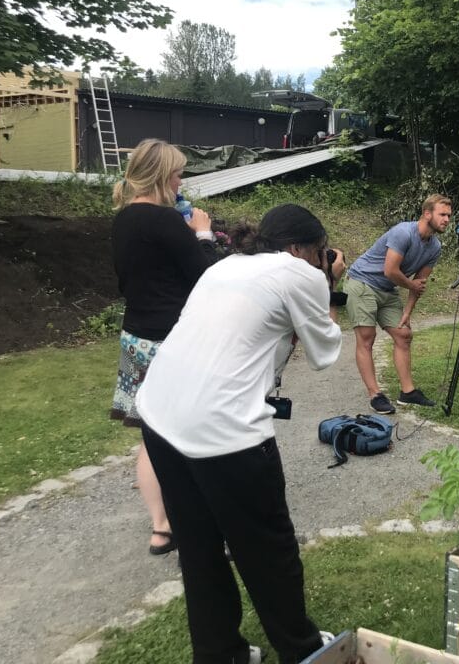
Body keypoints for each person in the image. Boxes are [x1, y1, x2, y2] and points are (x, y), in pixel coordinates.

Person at [136, 204, 344, 664]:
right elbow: (325, 350)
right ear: (299, 248)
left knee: (199, 546)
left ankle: (220, 654)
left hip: (159, 414)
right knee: (268, 547)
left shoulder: (228, 264)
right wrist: (332, 281)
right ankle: (302, 649)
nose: (320, 259)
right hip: (222, 429)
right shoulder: (301, 273)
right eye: (319, 252)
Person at [110, 138, 217, 556]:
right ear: (161, 175)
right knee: (193, 431)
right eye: (177, 173)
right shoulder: (167, 221)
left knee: (151, 436)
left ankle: (161, 527)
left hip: (136, 337)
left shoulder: (123, 220)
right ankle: (205, 519)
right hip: (173, 341)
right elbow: (203, 279)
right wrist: (204, 235)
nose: (181, 179)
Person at [343, 194, 453, 414]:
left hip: (387, 289)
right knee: (367, 338)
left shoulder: (435, 248)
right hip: (361, 282)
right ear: (427, 213)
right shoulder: (403, 232)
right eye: (442, 214)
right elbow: (390, 270)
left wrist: (407, 313)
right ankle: (375, 395)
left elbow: (418, 284)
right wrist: (411, 286)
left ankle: (408, 392)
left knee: (404, 334)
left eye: (449, 215)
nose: (447, 220)